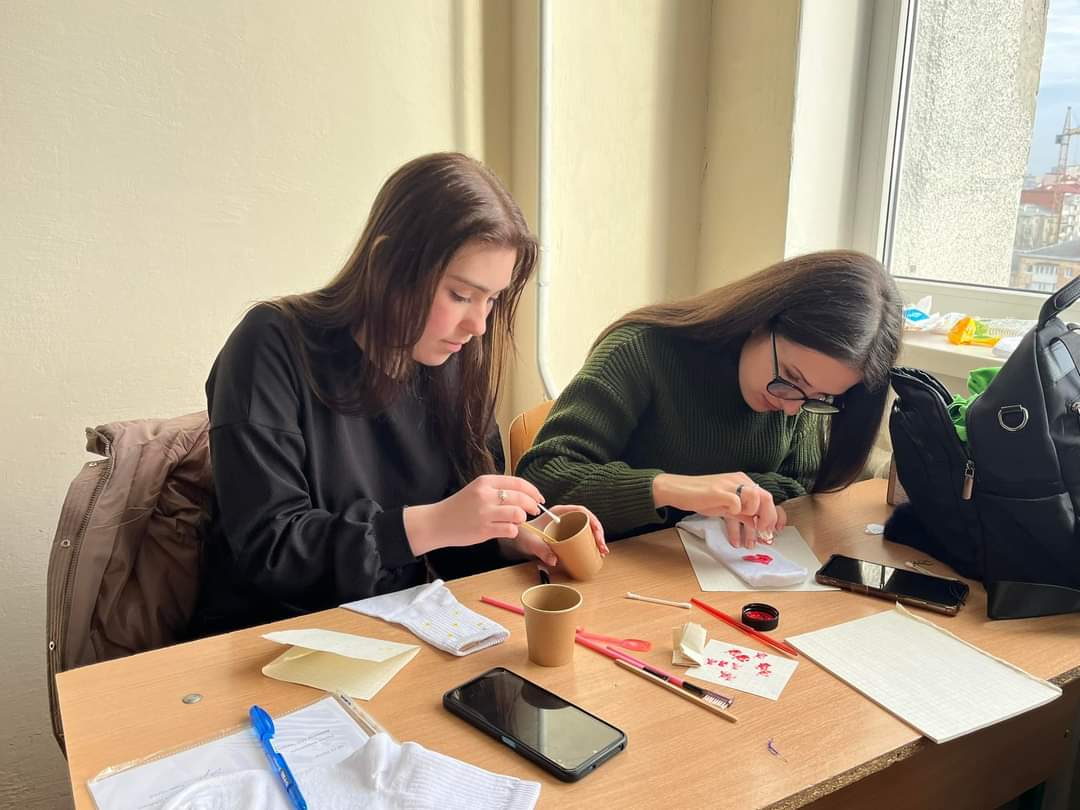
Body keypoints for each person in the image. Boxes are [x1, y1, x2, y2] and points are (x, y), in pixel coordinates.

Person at [194, 152, 606, 635]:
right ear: (387, 263)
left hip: (403, 628)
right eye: (460, 295)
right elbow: (272, 549)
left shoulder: (452, 359)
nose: (478, 325)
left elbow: (452, 535)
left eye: (492, 299)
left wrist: (508, 533)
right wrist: (433, 523)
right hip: (272, 640)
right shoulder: (271, 344)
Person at [516, 250, 902, 548]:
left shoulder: (801, 392)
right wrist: (675, 489)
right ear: (762, 318)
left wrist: (741, 498)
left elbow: (798, 484)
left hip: (711, 572)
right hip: (616, 571)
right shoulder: (642, 350)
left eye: (819, 397)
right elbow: (543, 480)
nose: (791, 407)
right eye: (790, 378)